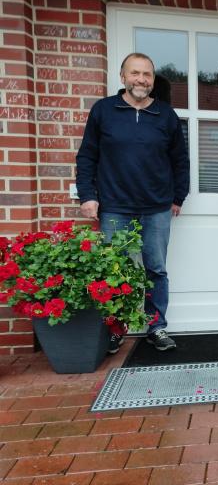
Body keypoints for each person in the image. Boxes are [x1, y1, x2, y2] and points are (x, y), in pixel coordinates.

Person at [76, 53, 189, 353]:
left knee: (156, 270)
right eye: (135, 73)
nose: (141, 79)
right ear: (123, 76)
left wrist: (178, 196)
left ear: (153, 79)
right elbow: (87, 156)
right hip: (115, 207)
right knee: (115, 271)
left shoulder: (166, 115)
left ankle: (156, 327)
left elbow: (180, 160)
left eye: (147, 74)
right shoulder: (104, 111)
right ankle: (116, 329)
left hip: (157, 207)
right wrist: (87, 195)